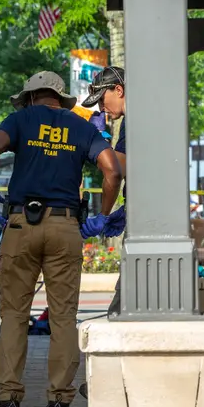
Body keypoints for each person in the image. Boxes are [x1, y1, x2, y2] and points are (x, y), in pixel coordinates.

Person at [0, 71, 122, 407]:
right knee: (62, 317)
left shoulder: (20, 119)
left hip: (20, 224)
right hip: (65, 226)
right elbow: (112, 171)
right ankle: (60, 401)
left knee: (13, 315)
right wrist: (103, 216)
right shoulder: (81, 126)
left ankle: (9, 399)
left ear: (30, 97)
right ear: (60, 98)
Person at [81, 67, 128, 318]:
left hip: (152, 221)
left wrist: (97, 140)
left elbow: (118, 168)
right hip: (141, 210)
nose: (101, 108)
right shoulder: (131, 120)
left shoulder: (138, 118)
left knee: (122, 307)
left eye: (102, 99)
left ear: (118, 90)